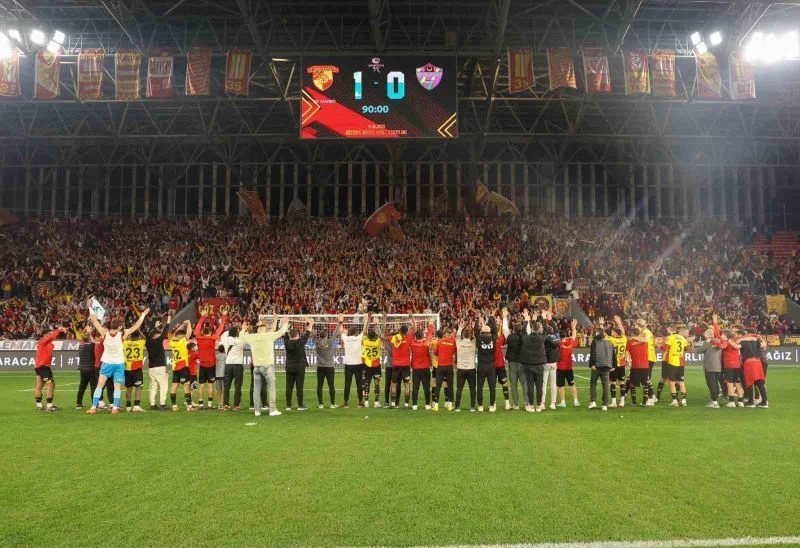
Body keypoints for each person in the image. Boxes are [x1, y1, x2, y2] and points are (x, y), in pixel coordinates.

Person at [86, 303, 150, 415]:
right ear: (119, 327)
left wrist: (90, 307)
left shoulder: (104, 333)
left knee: (99, 385)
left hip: (107, 362)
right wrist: (143, 314)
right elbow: (136, 326)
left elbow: (94, 321)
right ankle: (115, 408)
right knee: (117, 387)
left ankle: (93, 407)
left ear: (110, 326)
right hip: (119, 364)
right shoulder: (122, 334)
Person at [240, 315, 289, 417]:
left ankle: (257, 410)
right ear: (265, 329)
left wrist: (243, 329)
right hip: (267, 366)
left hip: (256, 367)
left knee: (256, 389)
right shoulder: (268, 335)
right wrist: (285, 324)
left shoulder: (253, 337)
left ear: (258, 329)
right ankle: (272, 410)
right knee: (271, 388)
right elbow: (281, 332)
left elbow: (241, 336)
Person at [194, 313, 227, 409]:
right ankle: (209, 404)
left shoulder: (199, 337)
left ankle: (201, 404)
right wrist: (224, 317)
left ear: (203, 332)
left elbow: (197, 328)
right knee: (210, 385)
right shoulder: (212, 338)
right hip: (211, 365)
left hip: (202, 365)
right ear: (210, 332)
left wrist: (202, 317)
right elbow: (220, 329)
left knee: (201, 385)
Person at [34, 325, 67, 411]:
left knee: (40, 385)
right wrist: (58, 330)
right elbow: (50, 338)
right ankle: (49, 405)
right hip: (43, 366)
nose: (51, 335)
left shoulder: (49, 344)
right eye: (49, 333)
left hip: (41, 366)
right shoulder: (42, 341)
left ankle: (39, 405)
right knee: (50, 384)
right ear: (45, 335)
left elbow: (50, 341)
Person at [520, 309, 547, 412]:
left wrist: (526, 319)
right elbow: (546, 330)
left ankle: (531, 405)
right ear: (539, 330)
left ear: (531, 329)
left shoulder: (526, 338)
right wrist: (543, 318)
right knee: (539, 386)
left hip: (528, 365)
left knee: (530, 386)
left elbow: (523, 331)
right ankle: (539, 405)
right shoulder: (541, 338)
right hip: (539, 365)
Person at [284, 317, 313, 411]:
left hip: (289, 367)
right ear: (297, 335)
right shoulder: (301, 342)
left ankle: (288, 405)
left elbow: (285, 333)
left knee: (289, 387)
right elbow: (308, 332)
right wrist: (309, 323)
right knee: (299, 387)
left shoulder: (287, 343)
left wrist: (286, 323)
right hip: (299, 368)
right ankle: (300, 405)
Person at [340, 314, 368, 408]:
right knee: (359, 384)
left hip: (348, 364)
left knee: (347, 384)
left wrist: (341, 321)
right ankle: (360, 402)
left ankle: (345, 402)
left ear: (349, 332)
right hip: (358, 364)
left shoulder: (346, 339)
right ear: (355, 332)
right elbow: (364, 331)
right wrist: (366, 321)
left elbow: (341, 331)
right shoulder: (358, 338)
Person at [387, 315, 414, 408]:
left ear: (400, 331)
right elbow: (414, 328)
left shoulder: (395, 338)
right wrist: (412, 318)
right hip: (406, 365)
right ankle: (406, 404)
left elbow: (384, 336)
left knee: (394, 384)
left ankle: (393, 403)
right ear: (406, 332)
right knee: (407, 385)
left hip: (396, 365)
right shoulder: (408, 338)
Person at [167, 320, 195, 411]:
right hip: (183, 367)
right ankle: (189, 406)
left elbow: (176, 333)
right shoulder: (183, 341)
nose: (184, 336)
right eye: (183, 335)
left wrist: (183, 325)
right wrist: (189, 323)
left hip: (175, 367)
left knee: (174, 386)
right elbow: (189, 333)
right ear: (181, 336)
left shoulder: (172, 342)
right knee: (186, 386)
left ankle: (174, 406)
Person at [662, 325, 692, 407]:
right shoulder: (682, 338)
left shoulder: (670, 338)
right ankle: (684, 401)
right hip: (681, 362)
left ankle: (675, 401)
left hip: (672, 362)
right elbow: (686, 349)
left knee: (671, 382)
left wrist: (658, 346)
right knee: (681, 382)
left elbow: (665, 348)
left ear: (671, 330)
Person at [588, 327, 616, 411]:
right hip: (607, 366)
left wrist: (592, 364)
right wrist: (614, 365)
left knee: (593, 384)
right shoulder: (610, 343)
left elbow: (593, 354)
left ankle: (593, 401)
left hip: (597, 366)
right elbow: (614, 355)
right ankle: (605, 405)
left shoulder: (594, 342)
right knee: (605, 386)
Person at [738, 332, 769, 409]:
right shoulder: (755, 341)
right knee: (760, 382)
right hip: (758, 362)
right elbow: (764, 345)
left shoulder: (742, 341)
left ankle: (751, 402)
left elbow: (736, 346)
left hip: (749, 363)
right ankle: (764, 402)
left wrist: (741, 339)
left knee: (749, 383)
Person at [145, 318, 170, 410]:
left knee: (153, 386)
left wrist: (154, 327)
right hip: (160, 367)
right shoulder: (158, 341)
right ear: (155, 336)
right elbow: (165, 332)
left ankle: (152, 404)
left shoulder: (148, 343)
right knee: (163, 386)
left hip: (151, 368)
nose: (160, 336)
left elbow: (148, 334)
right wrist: (168, 320)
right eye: (158, 335)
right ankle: (162, 403)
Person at [409, 321, 435, 410]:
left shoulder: (413, 344)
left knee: (415, 388)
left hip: (416, 369)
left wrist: (412, 326)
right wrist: (430, 324)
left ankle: (414, 405)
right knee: (426, 387)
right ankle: (427, 405)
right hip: (425, 368)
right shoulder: (426, 344)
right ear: (423, 336)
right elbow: (430, 335)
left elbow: (411, 336)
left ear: (416, 337)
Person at [696, 327, 723, 408]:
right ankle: (715, 400)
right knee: (715, 384)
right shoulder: (718, 341)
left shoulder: (708, 343)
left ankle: (714, 402)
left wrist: (706, 342)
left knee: (711, 384)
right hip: (718, 366)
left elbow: (698, 351)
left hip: (710, 366)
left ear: (707, 335)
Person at [604, 316, 628, 408]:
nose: (612, 333)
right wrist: (619, 322)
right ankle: (622, 401)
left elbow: (603, 336)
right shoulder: (624, 339)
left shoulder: (612, 339)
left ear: (616, 333)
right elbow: (623, 332)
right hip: (622, 364)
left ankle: (614, 402)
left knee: (613, 382)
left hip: (614, 364)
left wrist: (601, 325)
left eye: (613, 332)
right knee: (622, 382)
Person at [454, 318, 477, 412]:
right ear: (470, 335)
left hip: (461, 369)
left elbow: (457, 336)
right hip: (471, 369)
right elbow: (475, 336)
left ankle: (457, 407)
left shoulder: (459, 343)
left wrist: (460, 327)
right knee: (472, 389)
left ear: (463, 335)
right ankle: (472, 407)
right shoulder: (473, 342)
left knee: (459, 388)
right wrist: (473, 327)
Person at [221, 326, 246, 410]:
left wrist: (231, 330)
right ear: (236, 333)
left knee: (226, 386)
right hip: (238, 365)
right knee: (238, 386)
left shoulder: (225, 339)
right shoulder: (240, 341)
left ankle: (226, 404)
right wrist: (243, 329)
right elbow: (243, 337)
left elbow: (224, 334)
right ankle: (236, 405)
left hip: (228, 364)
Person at [476, 314, 497, 412]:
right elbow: (495, 330)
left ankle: (480, 406)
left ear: (482, 331)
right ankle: (492, 406)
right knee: (492, 387)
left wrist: (479, 320)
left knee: (480, 387)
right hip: (491, 366)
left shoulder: (479, 338)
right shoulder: (493, 338)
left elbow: (476, 331)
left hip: (481, 366)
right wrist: (490, 318)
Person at [432, 325, 457, 411]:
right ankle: (450, 405)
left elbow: (435, 353)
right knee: (450, 385)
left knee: (438, 386)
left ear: (445, 334)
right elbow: (455, 351)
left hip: (440, 366)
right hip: (449, 366)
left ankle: (436, 405)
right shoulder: (453, 342)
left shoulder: (439, 342)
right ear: (452, 334)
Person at [556, 319, 580, 408]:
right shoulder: (570, 341)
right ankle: (576, 401)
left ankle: (563, 402)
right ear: (566, 335)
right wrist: (573, 327)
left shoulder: (558, 344)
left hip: (560, 368)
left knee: (561, 386)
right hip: (569, 368)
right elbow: (574, 336)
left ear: (560, 336)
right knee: (572, 385)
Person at [626, 327, 652, 407]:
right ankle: (643, 402)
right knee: (644, 384)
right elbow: (627, 353)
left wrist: (628, 362)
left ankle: (635, 402)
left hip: (636, 366)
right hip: (644, 366)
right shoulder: (643, 340)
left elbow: (626, 354)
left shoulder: (630, 341)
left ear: (632, 334)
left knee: (633, 384)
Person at [361, 314, 383, 408]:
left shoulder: (365, 341)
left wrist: (368, 319)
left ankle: (366, 401)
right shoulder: (378, 341)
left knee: (367, 383)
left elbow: (364, 331)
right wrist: (376, 325)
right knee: (377, 383)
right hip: (376, 364)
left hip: (367, 364)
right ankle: (376, 402)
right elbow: (381, 335)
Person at [314, 324, 338, 409]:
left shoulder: (317, 342)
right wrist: (339, 323)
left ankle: (321, 404)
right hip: (329, 367)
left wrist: (310, 325)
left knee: (319, 386)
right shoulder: (330, 342)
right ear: (326, 335)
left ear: (320, 336)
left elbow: (312, 335)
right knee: (331, 385)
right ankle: (332, 404)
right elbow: (335, 333)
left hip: (320, 367)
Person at [122, 330, 146, 412]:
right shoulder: (140, 342)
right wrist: (139, 331)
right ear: (138, 336)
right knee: (138, 387)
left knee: (128, 388)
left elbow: (123, 338)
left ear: (130, 336)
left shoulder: (125, 343)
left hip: (127, 368)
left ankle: (128, 406)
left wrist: (128, 333)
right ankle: (136, 405)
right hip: (137, 368)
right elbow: (144, 338)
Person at [635, 318, 657, 404]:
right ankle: (652, 396)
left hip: (648, 357)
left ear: (638, 325)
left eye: (635, 325)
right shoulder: (645, 332)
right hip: (648, 357)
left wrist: (634, 338)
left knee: (645, 378)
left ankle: (650, 398)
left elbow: (646, 340)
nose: (634, 326)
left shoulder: (645, 332)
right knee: (645, 377)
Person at [505, 318, 526, 410]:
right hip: (522, 362)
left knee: (513, 385)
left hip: (512, 362)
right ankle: (527, 403)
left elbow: (505, 330)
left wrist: (504, 318)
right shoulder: (524, 337)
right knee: (524, 383)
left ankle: (516, 404)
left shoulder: (510, 337)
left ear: (513, 329)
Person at [542, 313, 561, 411]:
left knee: (544, 384)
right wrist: (551, 320)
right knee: (553, 384)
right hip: (554, 363)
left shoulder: (546, 338)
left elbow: (543, 335)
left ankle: (542, 403)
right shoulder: (557, 337)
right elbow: (557, 330)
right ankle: (553, 403)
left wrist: (544, 320)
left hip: (546, 363)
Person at [493, 308, 512, 411]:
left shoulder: (499, 338)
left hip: (498, 364)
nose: (497, 321)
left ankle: (505, 403)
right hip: (495, 365)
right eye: (496, 319)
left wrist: (501, 324)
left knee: (502, 384)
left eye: (498, 319)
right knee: (495, 384)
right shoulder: (495, 338)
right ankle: (496, 403)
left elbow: (505, 339)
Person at [76, 329, 98, 409]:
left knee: (82, 386)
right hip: (91, 369)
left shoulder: (80, 346)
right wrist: (91, 336)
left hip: (83, 369)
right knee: (93, 387)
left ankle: (78, 403)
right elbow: (95, 343)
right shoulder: (92, 345)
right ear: (89, 339)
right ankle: (94, 404)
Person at [214, 344, 226, 410]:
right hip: (224, 375)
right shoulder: (226, 356)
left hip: (217, 375)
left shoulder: (216, 357)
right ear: (224, 349)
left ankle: (219, 404)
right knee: (224, 390)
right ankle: (222, 403)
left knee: (219, 390)